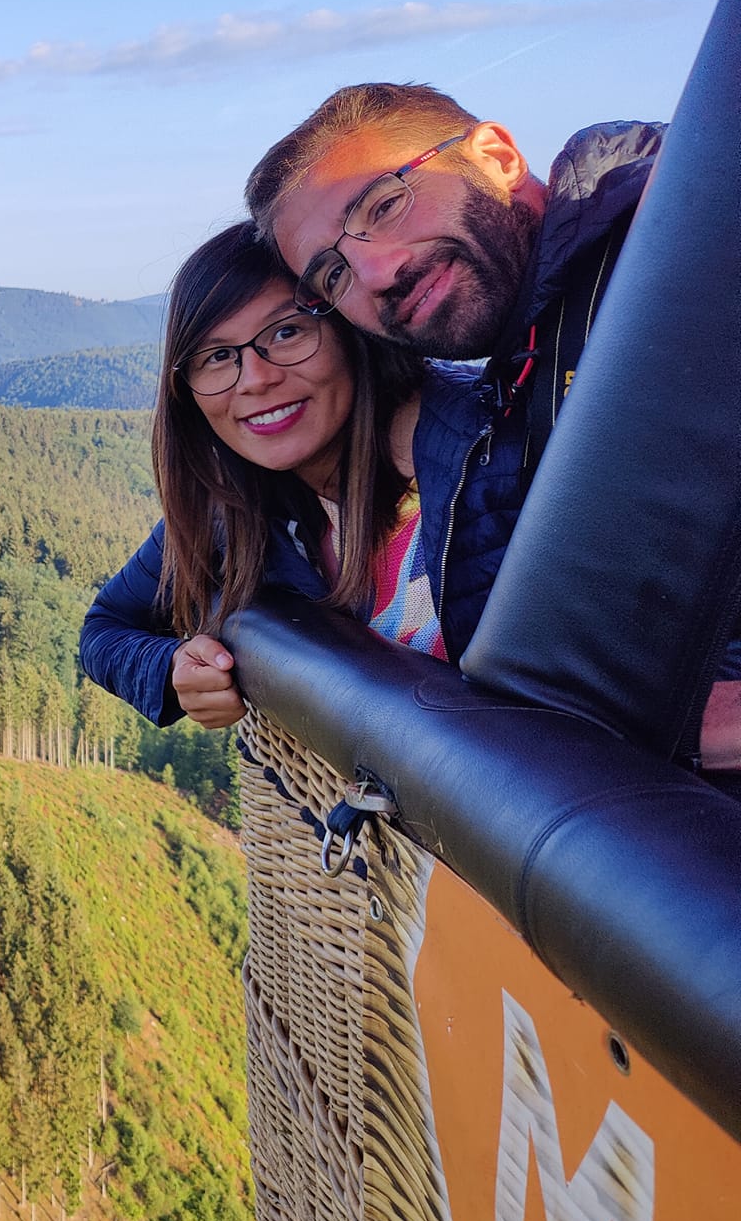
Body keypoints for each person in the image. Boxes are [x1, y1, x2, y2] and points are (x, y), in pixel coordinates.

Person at [245, 83, 741, 767]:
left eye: (385, 205)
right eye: (333, 275)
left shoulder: (675, 225)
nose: (376, 272)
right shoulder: (516, 374)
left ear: (498, 157)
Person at [79, 222, 477, 729]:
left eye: (286, 332)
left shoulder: (486, 463)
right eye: (218, 356)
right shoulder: (236, 504)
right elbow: (105, 629)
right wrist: (174, 668)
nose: (257, 378)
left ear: (349, 331)